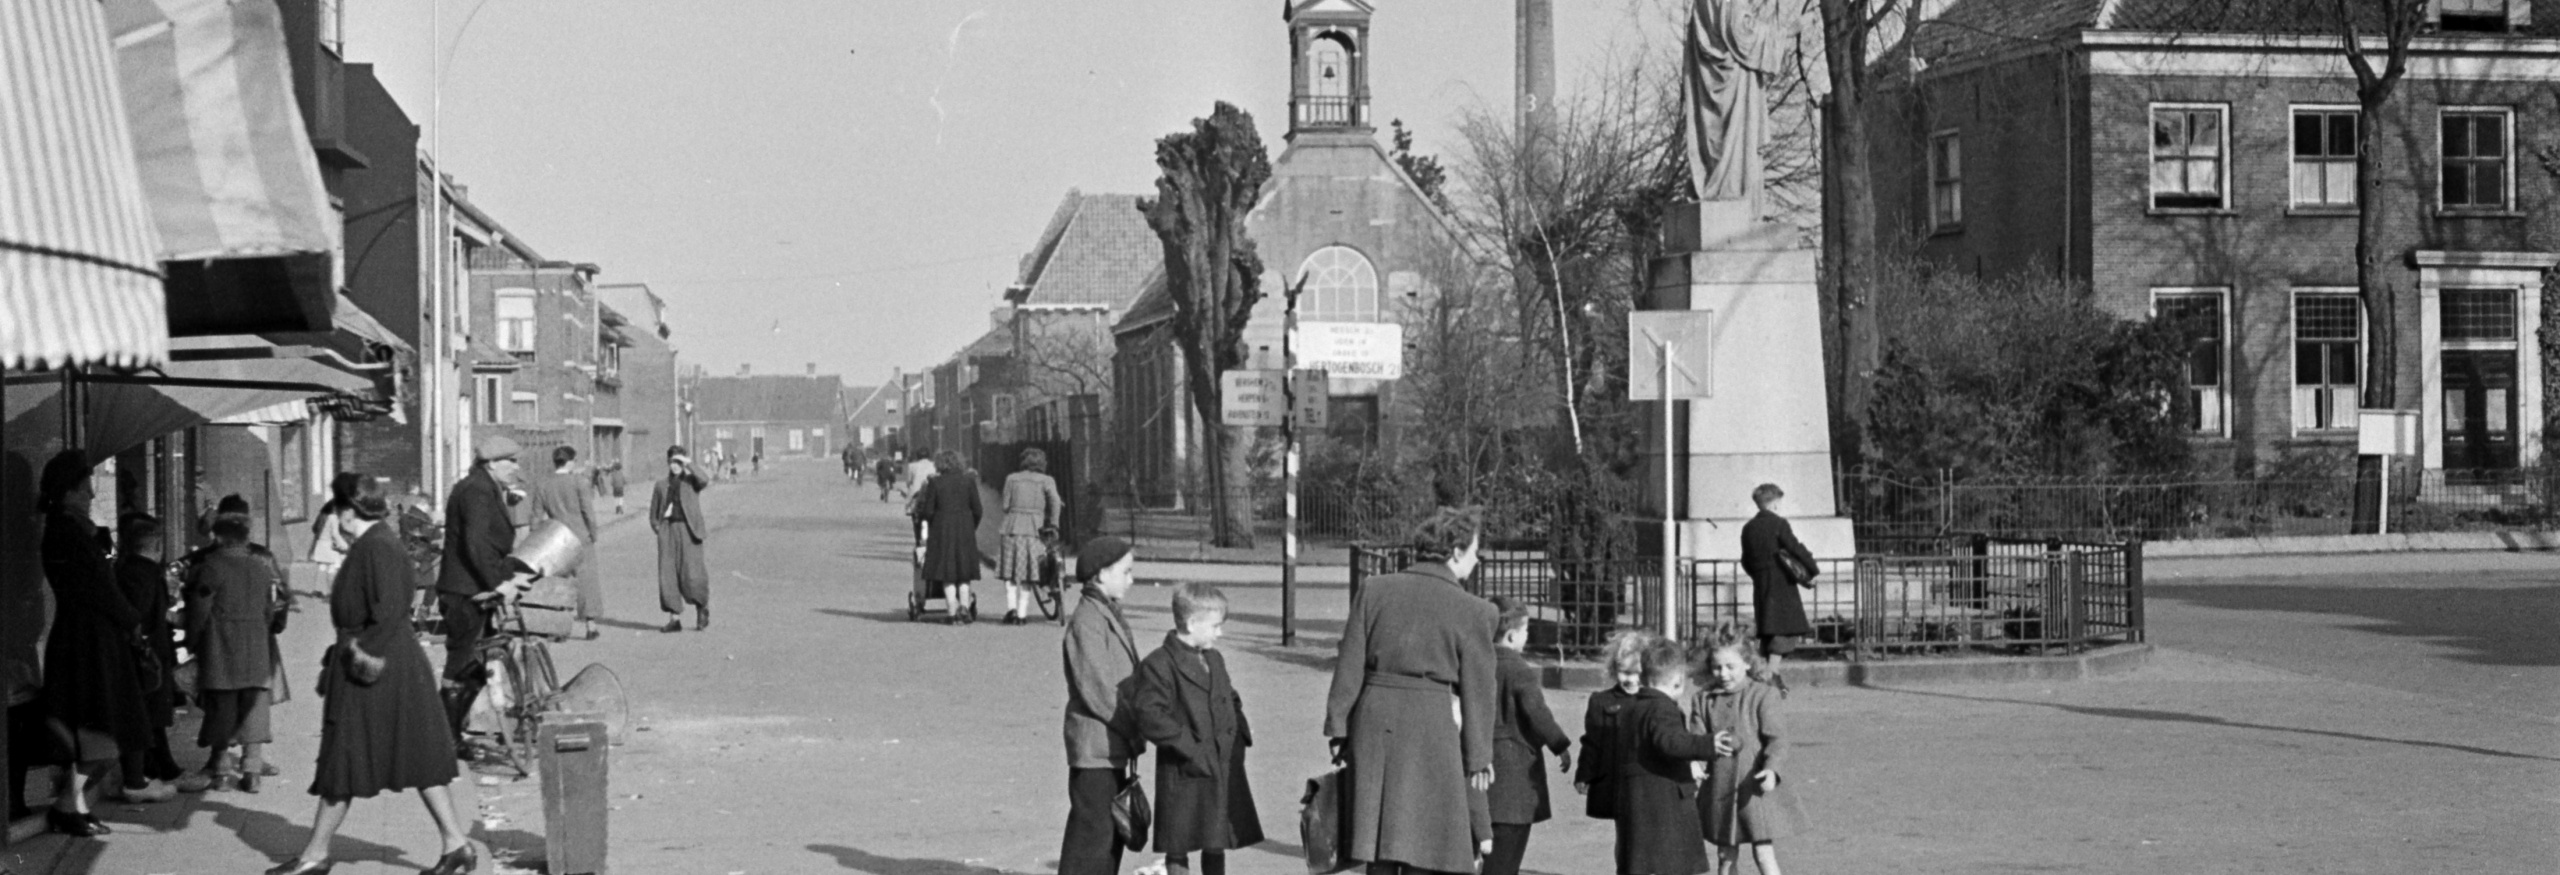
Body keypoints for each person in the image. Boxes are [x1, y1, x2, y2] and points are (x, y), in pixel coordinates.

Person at [268, 475, 477, 875]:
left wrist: (361, 656)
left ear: (347, 514)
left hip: (378, 667)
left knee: (345, 753)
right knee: (415, 754)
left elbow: (390, 609)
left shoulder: (376, 548)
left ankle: (315, 856)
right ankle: (457, 846)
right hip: (388, 663)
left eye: (333, 513)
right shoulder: (375, 544)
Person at [1323, 506, 1501, 875]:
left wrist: (1339, 727)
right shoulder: (1476, 610)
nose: (1476, 560)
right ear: (1455, 552)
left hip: (1374, 719)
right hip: (1430, 723)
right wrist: (1479, 757)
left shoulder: (1374, 589)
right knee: (1427, 839)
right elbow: (1479, 692)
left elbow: (1350, 662)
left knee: (1379, 838)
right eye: (1474, 552)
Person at [34, 450, 169, 836]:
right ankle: (67, 806)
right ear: (70, 491)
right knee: (103, 729)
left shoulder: (72, 529)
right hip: (89, 642)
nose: (93, 495)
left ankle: (72, 805)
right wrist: (132, 621)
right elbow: (100, 588)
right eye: (86, 487)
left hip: (91, 639)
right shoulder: (67, 532)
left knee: (101, 731)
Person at [1132, 582, 1262, 875]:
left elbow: (1230, 695)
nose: (1220, 633)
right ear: (1192, 623)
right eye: (1215, 626)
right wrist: (1190, 747)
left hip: (1221, 762)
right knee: (1179, 845)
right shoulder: (1159, 663)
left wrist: (1238, 732)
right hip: (1184, 768)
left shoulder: (1214, 658)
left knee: (1215, 840)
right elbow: (1150, 715)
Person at [1605, 639, 1732, 875]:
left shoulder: (1630, 707)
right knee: (1671, 862)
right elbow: (1670, 742)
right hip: (1663, 799)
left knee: (1641, 861)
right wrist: (1707, 744)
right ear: (1678, 682)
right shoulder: (1663, 708)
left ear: (1643, 678)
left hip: (1636, 796)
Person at [436, 436, 531, 747]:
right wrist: (498, 583)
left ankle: (449, 733)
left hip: (474, 588)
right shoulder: (477, 490)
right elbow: (475, 543)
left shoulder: (485, 487)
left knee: (475, 666)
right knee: (462, 664)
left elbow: (489, 544)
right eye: (511, 461)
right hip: (465, 591)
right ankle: (441, 737)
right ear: (491, 463)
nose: (516, 467)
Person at [1058, 536, 1144, 875]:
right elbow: (1099, 691)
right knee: (1091, 838)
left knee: (1108, 836)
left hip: (1109, 746)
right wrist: (1134, 727)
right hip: (1096, 745)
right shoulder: (1088, 621)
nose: (1131, 579)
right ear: (1101, 574)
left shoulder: (1103, 613)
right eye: (1126, 571)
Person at [1692, 629, 1807, 875]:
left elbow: (1777, 739)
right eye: (1716, 667)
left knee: (1763, 853)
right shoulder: (1703, 699)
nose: (1722, 674)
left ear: (1747, 662)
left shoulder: (1763, 695)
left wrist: (1771, 770)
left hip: (1752, 786)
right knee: (1725, 856)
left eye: (1730, 666)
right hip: (1719, 788)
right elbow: (1696, 740)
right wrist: (1695, 763)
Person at [186, 512, 279, 792]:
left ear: (219, 537)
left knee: (222, 707)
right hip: (256, 647)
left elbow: (200, 610)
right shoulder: (261, 567)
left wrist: (192, 639)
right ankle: (252, 771)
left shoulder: (211, 567)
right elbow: (271, 610)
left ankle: (223, 770)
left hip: (221, 646)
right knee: (254, 706)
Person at [1484, 597, 1571, 875]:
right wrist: (1559, 744)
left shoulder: (1478, 664)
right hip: (1515, 779)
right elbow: (1537, 713)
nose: (1527, 636)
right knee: (1507, 857)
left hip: (1482, 774)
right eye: (1526, 631)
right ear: (1512, 636)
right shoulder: (1519, 669)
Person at [111, 513, 195, 790]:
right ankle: (153, 771)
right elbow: (140, 614)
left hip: (143, 652)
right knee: (148, 713)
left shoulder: (130, 569)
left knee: (151, 716)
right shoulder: (142, 573)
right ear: (156, 544)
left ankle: (160, 767)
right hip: (146, 655)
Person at [1573, 630, 1659, 820]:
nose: (1631, 680)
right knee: (1624, 832)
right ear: (1614, 669)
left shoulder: (1655, 702)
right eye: (1625, 673)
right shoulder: (1601, 701)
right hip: (1614, 781)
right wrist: (1584, 774)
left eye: (1638, 673)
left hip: (1647, 782)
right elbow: (1592, 742)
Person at [1739, 483, 1816, 689]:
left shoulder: (1748, 528)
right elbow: (1795, 547)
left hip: (1761, 584)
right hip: (1782, 584)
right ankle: (1769, 675)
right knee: (1785, 630)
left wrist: (1758, 575)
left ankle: (1767, 675)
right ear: (1774, 503)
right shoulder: (1779, 523)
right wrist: (1812, 569)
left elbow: (1745, 560)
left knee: (1769, 631)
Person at [528, 446, 603, 641]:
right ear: (570, 461)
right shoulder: (579, 482)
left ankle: (559, 627)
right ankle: (590, 625)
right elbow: (588, 511)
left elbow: (535, 516)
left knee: (561, 582)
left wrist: (537, 540)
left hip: (556, 538)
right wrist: (593, 533)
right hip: (580, 536)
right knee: (586, 582)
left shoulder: (543, 484)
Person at [912, 449, 983, 625]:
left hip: (942, 531)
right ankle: (964, 607)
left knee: (947, 573)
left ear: (940, 464)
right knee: (963, 572)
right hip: (964, 531)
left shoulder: (935, 483)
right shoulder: (968, 481)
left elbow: (928, 511)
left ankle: (952, 611)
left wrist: (931, 522)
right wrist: (970, 527)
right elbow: (978, 510)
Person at [996, 448, 1064, 625]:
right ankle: (1022, 614)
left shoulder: (1012, 478)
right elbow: (1055, 502)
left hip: (1012, 527)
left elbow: (1005, 505)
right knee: (1028, 573)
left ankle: (1010, 610)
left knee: (1010, 573)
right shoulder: (1047, 480)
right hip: (1035, 529)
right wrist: (1054, 523)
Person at [651, 445, 713, 633]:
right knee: (668, 575)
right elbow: (654, 513)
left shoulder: (691, 481)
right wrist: (659, 529)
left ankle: (701, 609)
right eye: (672, 462)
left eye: (678, 462)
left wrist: (689, 464)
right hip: (668, 531)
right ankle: (674, 618)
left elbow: (705, 479)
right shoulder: (660, 485)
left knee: (692, 574)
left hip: (689, 531)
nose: (675, 466)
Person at [308, 473, 364, 582]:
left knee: (326, 568)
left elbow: (316, 527)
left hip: (331, 545)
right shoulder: (354, 506)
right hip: (345, 547)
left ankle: (322, 591)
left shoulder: (329, 505)